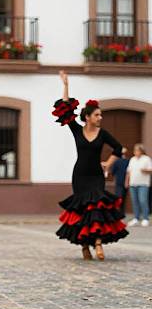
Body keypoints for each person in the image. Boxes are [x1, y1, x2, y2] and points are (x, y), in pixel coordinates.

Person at [52, 71, 128, 260]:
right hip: (80, 176)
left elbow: (119, 148)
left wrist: (108, 165)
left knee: (96, 208)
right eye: (97, 115)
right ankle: (85, 246)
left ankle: (98, 243)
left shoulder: (103, 133)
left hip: (95, 175)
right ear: (87, 117)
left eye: (101, 114)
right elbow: (66, 111)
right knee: (82, 210)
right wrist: (66, 86)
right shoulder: (77, 130)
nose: (100, 117)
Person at [125, 143, 152, 227]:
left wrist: (145, 170)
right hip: (133, 183)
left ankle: (145, 218)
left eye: (137, 150)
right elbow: (128, 172)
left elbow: (151, 170)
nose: (136, 152)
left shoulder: (146, 159)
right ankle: (136, 218)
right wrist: (126, 181)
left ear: (141, 151)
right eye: (135, 150)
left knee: (143, 200)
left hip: (143, 184)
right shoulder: (132, 159)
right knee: (135, 201)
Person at [110, 147, 129, 216]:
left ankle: (119, 213)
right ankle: (121, 213)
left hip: (119, 182)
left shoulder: (117, 162)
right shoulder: (128, 161)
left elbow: (112, 172)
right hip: (125, 183)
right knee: (122, 198)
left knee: (119, 198)